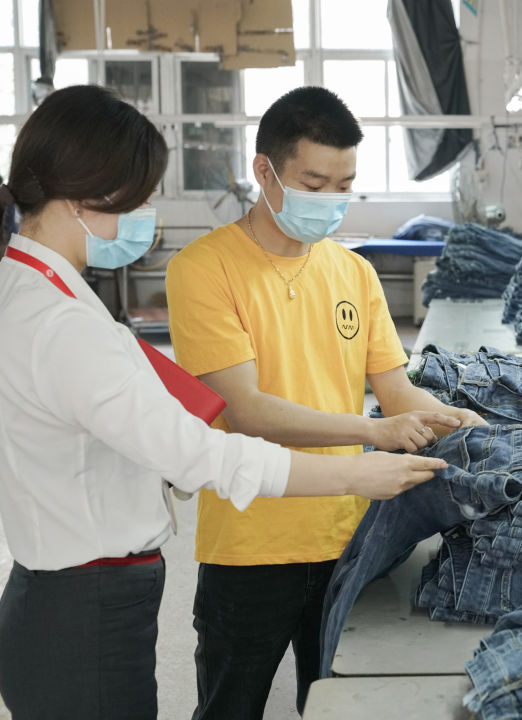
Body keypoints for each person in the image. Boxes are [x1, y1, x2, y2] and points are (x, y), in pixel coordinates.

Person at [0, 85, 447, 719]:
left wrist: (437, 422)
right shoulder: (63, 320)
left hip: (101, 588)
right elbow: (206, 449)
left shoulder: (47, 298)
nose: (147, 213)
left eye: (344, 185)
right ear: (84, 197)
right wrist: (361, 459)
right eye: (141, 197)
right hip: (93, 596)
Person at [165, 86, 486, 719]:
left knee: (338, 704)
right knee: (230, 706)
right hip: (251, 539)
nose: (331, 200)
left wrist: (456, 420)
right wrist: (374, 433)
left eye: (344, 185)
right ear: (265, 171)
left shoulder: (353, 272)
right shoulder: (204, 269)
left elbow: (396, 389)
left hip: (348, 538)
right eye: (314, 184)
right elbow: (246, 409)